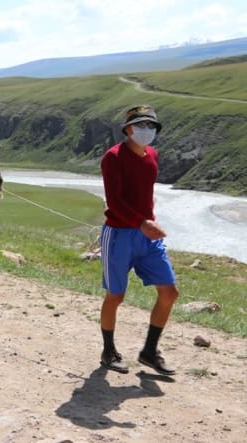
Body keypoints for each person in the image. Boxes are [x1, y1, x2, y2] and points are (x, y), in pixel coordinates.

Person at [98, 105, 179, 376]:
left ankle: (149, 352)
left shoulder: (152, 155)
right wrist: (142, 222)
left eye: (151, 126)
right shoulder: (113, 157)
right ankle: (109, 351)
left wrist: (148, 222)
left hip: (147, 235)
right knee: (116, 295)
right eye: (141, 126)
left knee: (169, 292)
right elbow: (115, 201)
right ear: (128, 129)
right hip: (119, 234)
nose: (146, 131)